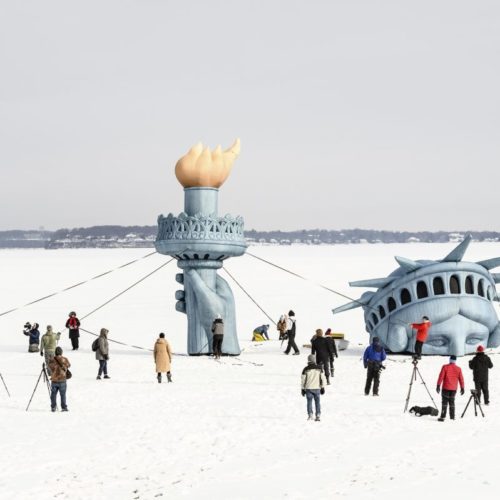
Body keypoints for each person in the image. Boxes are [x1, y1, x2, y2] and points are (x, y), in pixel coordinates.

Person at [436, 355, 465, 421]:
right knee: (452, 402)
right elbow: (461, 379)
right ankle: (452, 416)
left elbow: (441, 376)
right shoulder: (458, 369)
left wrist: (438, 385)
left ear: (450, 360)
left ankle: (443, 416)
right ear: (455, 361)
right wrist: (462, 387)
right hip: (453, 389)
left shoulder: (445, 367)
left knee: (444, 402)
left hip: (445, 388)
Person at [301, 354, 326, 421]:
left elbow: (303, 380)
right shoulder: (320, 368)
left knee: (309, 402)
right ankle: (318, 415)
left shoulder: (305, 369)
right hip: (317, 388)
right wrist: (323, 387)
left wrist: (302, 389)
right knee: (317, 402)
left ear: (308, 360)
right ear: (315, 360)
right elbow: (322, 378)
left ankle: (310, 415)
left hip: (308, 388)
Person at [48, 346, 70, 412]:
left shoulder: (52, 360)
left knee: (53, 395)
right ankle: (64, 407)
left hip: (54, 380)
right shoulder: (65, 359)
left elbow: (50, 367)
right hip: (62, 379)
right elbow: (68, 365)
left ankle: (53, 407)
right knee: (63, 395)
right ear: (61, 352)